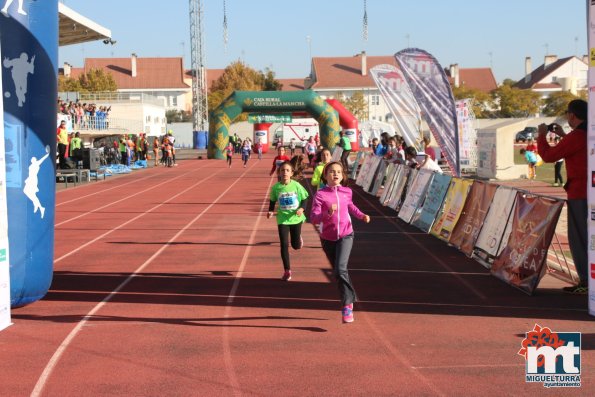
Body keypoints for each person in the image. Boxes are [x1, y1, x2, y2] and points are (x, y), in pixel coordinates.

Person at [537, 99, 588, 295]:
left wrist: (542, 136)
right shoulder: (586, 134)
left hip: (579, 192)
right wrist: (563, 135)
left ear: (572, 115)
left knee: (579, 237)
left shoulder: (577, 136)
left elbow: (549, 156)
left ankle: (585, 279)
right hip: (586, 191)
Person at [310, 161, 370, 323]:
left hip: (346, 234)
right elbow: (314, 219)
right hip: (328, 238)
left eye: (338, 172)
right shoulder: (321, 195)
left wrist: (362, 215)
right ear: (325, 175)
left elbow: (351, 206)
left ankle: (347, 306)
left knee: (340, 269)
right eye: (331, 171)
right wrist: (327, 213)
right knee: (339, 272)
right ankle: (350, 297)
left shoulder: (347, 192)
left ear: (343, 175)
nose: (335, 174)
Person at [267, 161, 309, 281]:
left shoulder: (296, 185)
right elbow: (272, 201)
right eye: (282, 170)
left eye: (287, 170)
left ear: (291, 173)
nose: (284, 172)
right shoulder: (276, 187)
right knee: (284, 244)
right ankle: (287, 270)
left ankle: (298, 238)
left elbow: (305, 198)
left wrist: (302, 208)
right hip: (282, 219)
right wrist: (270, 211)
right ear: (279, 173)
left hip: (296, 218)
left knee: (295, 246)